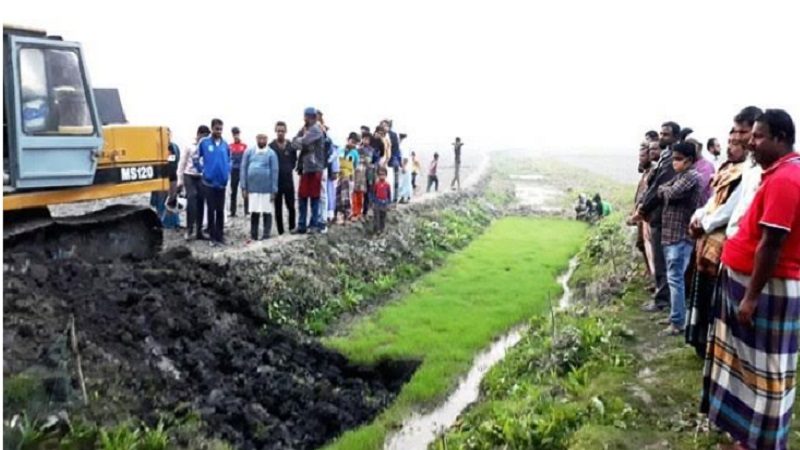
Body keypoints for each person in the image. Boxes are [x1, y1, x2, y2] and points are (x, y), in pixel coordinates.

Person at [701, 109, 800, 450]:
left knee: (767, 373)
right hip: (747, 281)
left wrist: (751, 297)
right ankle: (748, 435)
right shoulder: (775, 173)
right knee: (745, 366)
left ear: (781, 139)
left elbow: (771, 244)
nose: (750, 142)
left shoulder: (787, 179)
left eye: (758, 136)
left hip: (766, 289)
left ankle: (766, 441)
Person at [684, 129, 747, 357]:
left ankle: (712, 345)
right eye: (729, 142)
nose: (731, 147)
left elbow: (729, 210)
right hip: (707, 238)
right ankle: (700, 341)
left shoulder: (746, 174)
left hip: (720, 241)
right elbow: (712, 201)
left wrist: (705, 223)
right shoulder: (726, 169)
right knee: (700, 292)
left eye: (736, 143)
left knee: (713, 295)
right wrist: (698, 216)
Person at [655, 142, 702, 336]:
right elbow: (660, 189)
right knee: (674, 278)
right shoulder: (681, 176)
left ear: (689, 160)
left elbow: (669, 192)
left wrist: (666, 191)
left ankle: (677, 322)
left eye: (678, 159)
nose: (675, 162)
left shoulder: (692, 176)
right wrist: (666, 190)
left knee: (676, 280)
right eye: (673, 158)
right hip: (671, 235)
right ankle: (676, 315)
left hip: (680, 236)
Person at [637, 121, 680, 313]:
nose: (662, 137)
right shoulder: (665, 157)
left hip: (662, 217)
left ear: (676, 137)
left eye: (666, 134)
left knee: (662, 260)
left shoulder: (672, 159)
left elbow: (657, 189)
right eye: (661, 133)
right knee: (659, 258)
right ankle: (662, 296)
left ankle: (662, 300)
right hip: (656, 217)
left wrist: (643, 208)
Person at [725, 106, 765, 238]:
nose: (737, 137)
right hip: (738, 236)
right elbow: (738, 201)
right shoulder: (749, 162)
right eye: (735, 132)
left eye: (743, 132)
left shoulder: (765, 165)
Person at [292, 107, 326, 234]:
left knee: (314, 197)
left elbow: (302, 142)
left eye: (306, 116)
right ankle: (302, 225)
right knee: (302, 196)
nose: (305, 118)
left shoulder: (316, 129)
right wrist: (298, 140)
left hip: (315, 168)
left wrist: (298, 140)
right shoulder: (305, 129)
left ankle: (313, 225)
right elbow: (295, 143)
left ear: (312, 117)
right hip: (306, 168)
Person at [198, 118, 231, 246]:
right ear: (212, 128)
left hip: (221, 183)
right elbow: (197, 158)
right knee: (211, 210)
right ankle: (212, 237)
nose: (219, 131)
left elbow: (229, 159)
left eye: (221, 129)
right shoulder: (204, 143)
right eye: (217, 129)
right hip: (209, 183)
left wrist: (226, 173)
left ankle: (220, 236)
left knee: (220, 210)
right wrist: (203, 171)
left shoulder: (225, 144)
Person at [241, 133, 279, 241]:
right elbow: (243, 169)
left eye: (264, 138)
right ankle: (254, 235)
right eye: (260, 138)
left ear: (267, 139)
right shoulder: (249, 152)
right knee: (254, 211)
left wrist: (274, 190)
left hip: (267, 189)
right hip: (253, 189)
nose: (262, 140)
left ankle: (266, 234)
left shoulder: (271, 154)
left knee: (267, 211)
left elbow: (275, 171)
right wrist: (244, 187)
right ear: (256, 139)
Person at [177, 125, 211, 240]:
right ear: (199, 134)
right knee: (192, 199)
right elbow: (182, 163)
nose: (205, 139)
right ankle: (189, 229)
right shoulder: (189, 146)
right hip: (189, 175)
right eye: (204, 136)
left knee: (201, 201)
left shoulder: (207, 146)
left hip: (201, 176)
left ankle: (199, 231)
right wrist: (180, 180)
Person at [270, 121, 297, 236]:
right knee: (278, 207)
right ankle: (280, 231)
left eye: (282, 131)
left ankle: (292, 227)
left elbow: (294, 161)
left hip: (288, 180)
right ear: (275, 131)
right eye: (278, 131)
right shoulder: (271, 146)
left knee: (291, 205)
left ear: (286, 131)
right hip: (276, 182)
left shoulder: (291, 145)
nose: (280, 133)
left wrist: (288, 168)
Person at [685, 137, 716, 204]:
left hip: (701, 203)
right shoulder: (689, 163)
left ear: (699, 148)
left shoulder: (706, 166)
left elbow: (699, 186)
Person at [228, 126, 248, 217]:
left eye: (237, 134)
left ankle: (247, 211)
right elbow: (228, 159)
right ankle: (232, 211)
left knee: (244, 190)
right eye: (234, 134)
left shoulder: (244, 146)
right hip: (234, 171)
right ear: (232, 135)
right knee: (233, 191)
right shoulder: (230, 146)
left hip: (243, 171)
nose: (236, 136)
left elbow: (247, 159)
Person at [383, 119, 402, 202]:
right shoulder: (381, 135)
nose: (384, 127)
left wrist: (394, 159)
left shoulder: (393, 135)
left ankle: (394, 198)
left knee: (394, 180)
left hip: (392, 159)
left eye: (385, 125)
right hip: (385, 159)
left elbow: (396, 148)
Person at [372, 166, 391, 234]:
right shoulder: (377, 184)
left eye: (383, 174)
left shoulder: (387, 185)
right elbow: (374, 193)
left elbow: (389, 195)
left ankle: (382, 229)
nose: (382, 176)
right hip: (377, 202)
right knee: (376, 217)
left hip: (384, 203)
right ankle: (377, 230)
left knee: (383, 217)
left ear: (386, 175)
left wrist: (388, 204)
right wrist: (373, 202)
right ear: (378, 175)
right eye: (380, 174)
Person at [352, 154, 368, 221]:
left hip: (361, 185)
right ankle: (355, 213)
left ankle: (359, 213)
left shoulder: (365, 168)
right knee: (354, 200)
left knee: (360, 199)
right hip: (355, 184)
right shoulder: (355, 167)